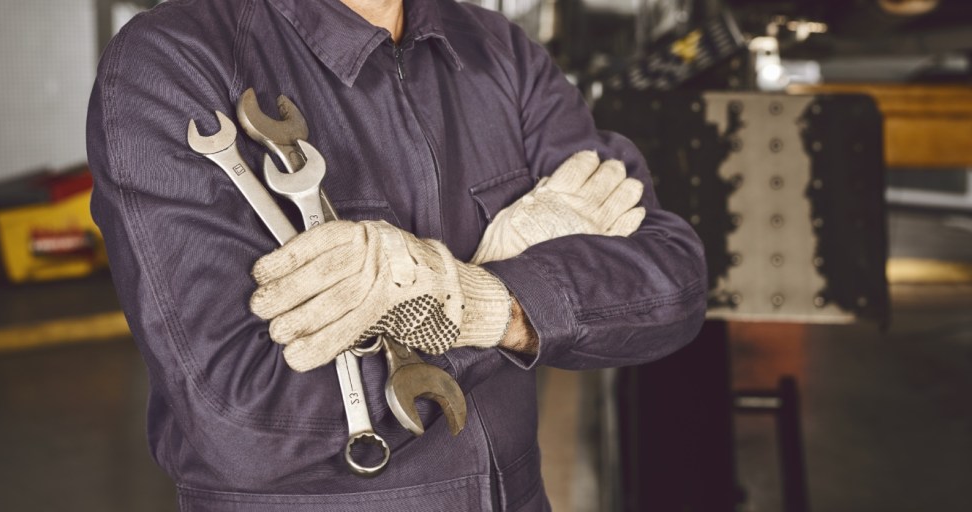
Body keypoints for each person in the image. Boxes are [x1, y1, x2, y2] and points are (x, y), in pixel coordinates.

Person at [86, 0, 707, 510]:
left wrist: (475, 299)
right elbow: (243, 422)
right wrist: (503, 301)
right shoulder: (173, 60)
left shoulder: (497, 50)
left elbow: (671, 285)